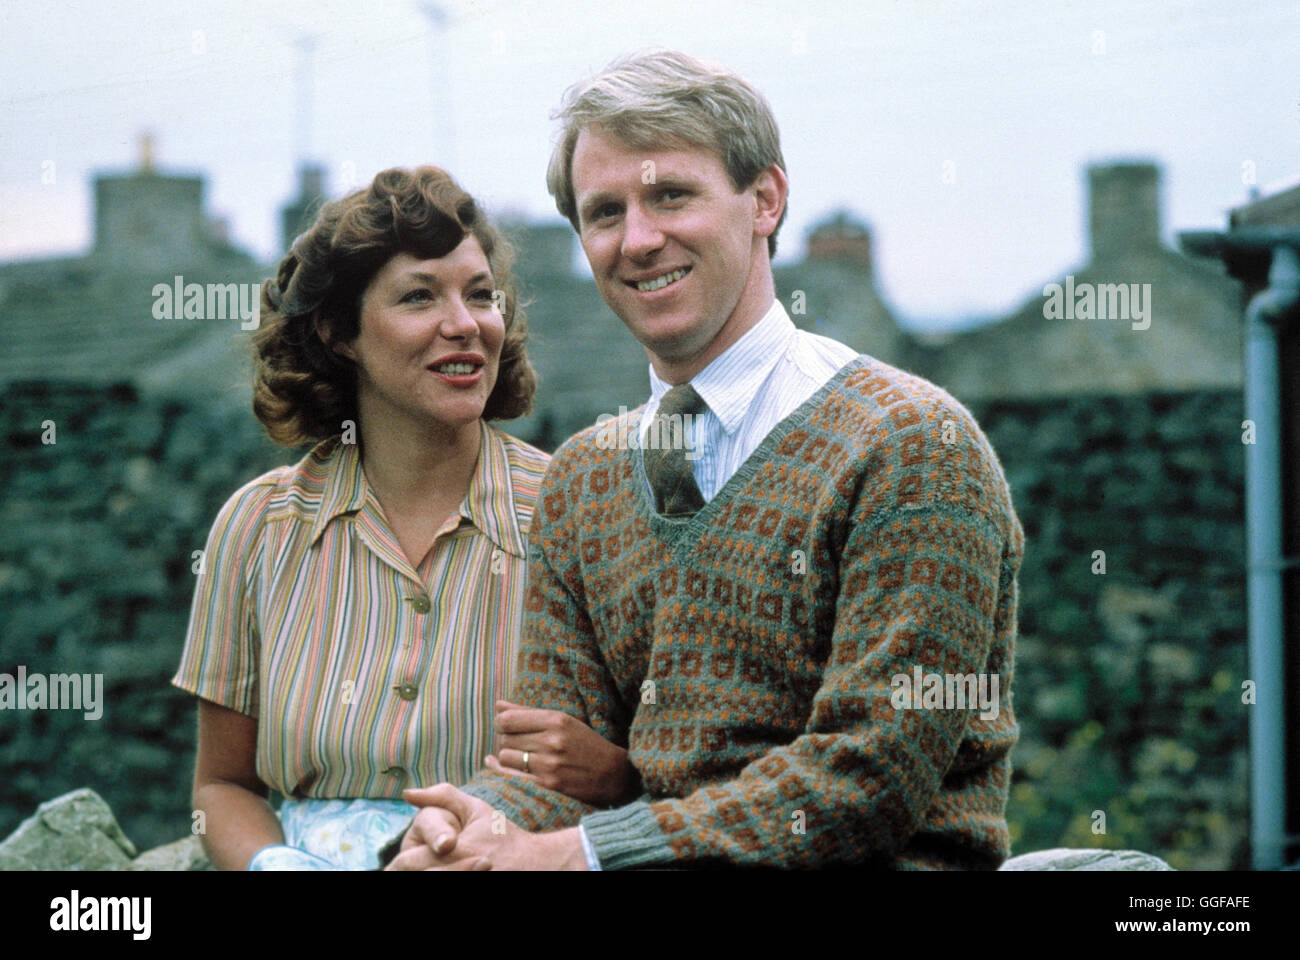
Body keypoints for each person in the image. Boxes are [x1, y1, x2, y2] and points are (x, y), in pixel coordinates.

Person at [383, 50, 1024, 871]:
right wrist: (467, 828)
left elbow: (869, 778)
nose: (639, 240)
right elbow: (551, 766)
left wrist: (575, 855)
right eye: (604, 213)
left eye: (671, 195)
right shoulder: (586, 478)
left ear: (765, 200)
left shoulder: (911, 446)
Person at [172, 166, 635, 871]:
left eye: (482, 296)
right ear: (338, 333)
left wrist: (613, 773)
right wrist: (279, 868)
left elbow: (666, 770)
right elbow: (221, 784)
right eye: (419, 297)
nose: (464, 324)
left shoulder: (579, 515)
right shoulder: (258, 526)